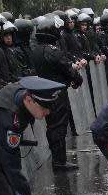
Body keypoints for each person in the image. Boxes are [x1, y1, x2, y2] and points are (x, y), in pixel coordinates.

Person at [29, 14, 83, 169]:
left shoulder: (37, 50)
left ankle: (58, 159)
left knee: (52, 125)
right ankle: (59, 161)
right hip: (57, 93)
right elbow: (66, 67)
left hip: (44, 93)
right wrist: (77, 78)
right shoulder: (52, 51)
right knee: (58, 126)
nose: (59, 33)